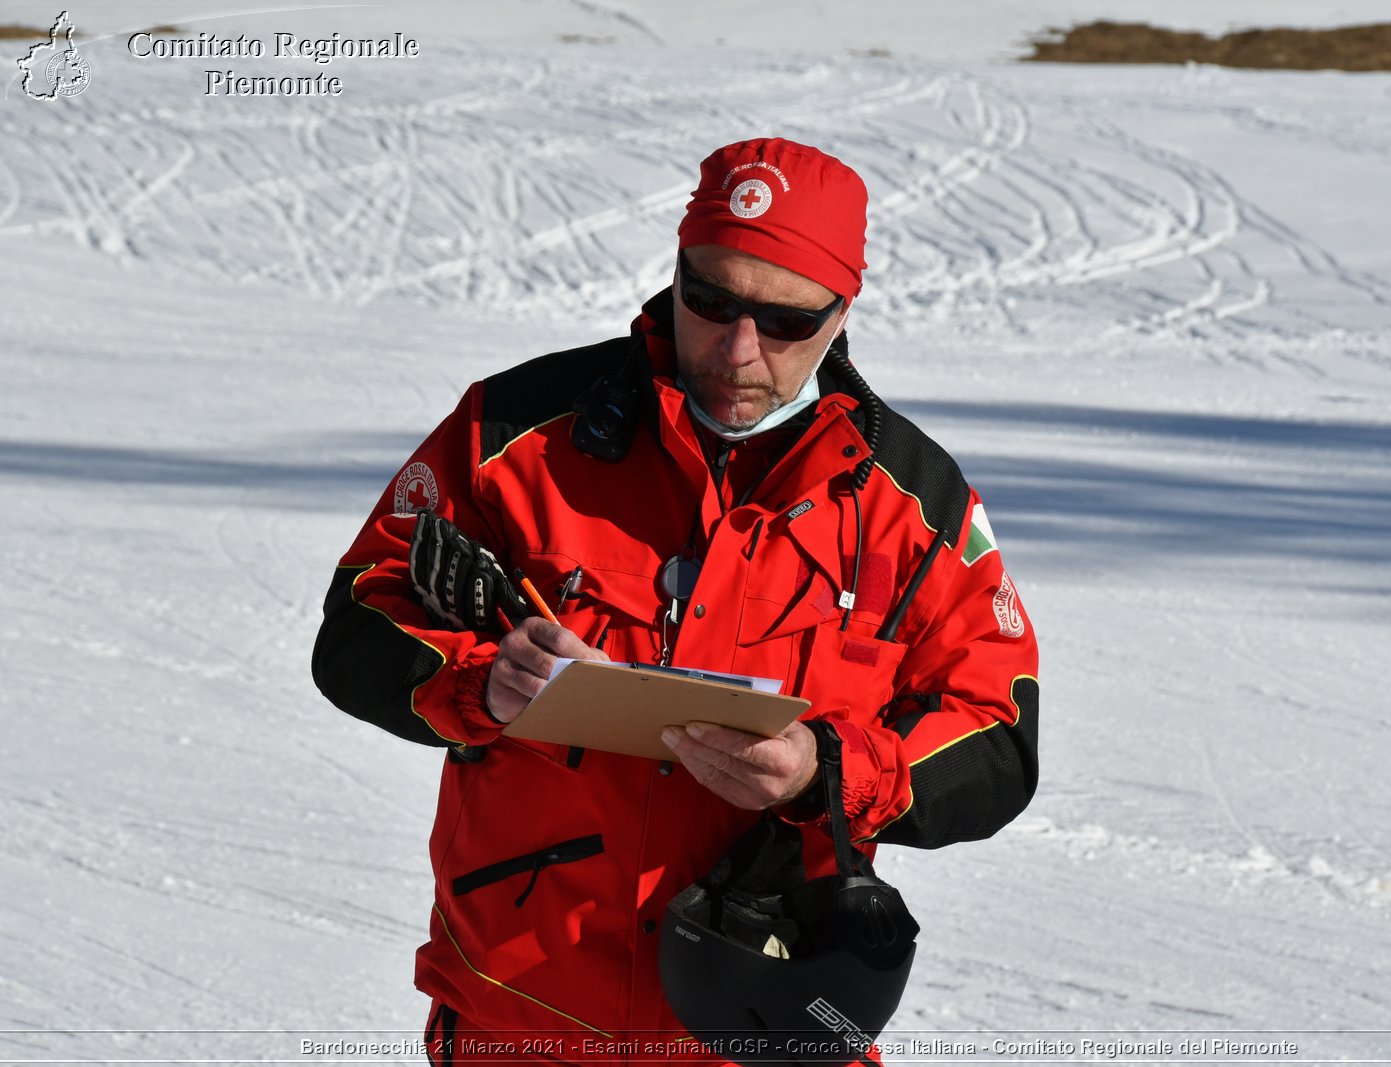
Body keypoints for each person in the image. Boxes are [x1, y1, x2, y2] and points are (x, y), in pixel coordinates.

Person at [311, 137, 1040, 1065]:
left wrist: (828, 769)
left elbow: (997, 732)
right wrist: (482, 684)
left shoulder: (914, 505)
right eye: (711, 300)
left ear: (842, 311)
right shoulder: (515, 433)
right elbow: (358, 620)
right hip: (521, 1019)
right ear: (677, 270)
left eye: (784, 321)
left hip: (765, 1025)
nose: (738, 350)